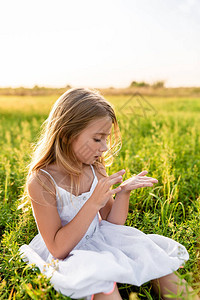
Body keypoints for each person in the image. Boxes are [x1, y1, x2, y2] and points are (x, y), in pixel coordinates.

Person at [19, 88, 199, 300]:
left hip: (100, 239)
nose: (104, 147)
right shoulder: (42, 181)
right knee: (101, 282)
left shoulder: (95, 167)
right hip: (69, 253)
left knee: (153, 260)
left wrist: (123, 194)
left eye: (106, 139)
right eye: (97, 139)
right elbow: (58, 248)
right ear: (67, 135)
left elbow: (112, 225)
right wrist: (93, 202)